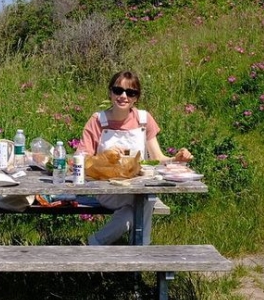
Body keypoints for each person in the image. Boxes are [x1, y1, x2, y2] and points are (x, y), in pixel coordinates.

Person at [77, 70, 192, 245]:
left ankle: (97, 242)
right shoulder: (97, 121)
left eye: (130, 93)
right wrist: (105, 157)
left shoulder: (144, 119)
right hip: (106, 188)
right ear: (110, 92)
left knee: (137, 207)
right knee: (147, 199)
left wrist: (175, 160)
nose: (124, 96)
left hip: (136, 185)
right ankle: (140, 251)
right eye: (118, 90)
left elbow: (157, 157)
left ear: (136, 98)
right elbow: (81, 159)